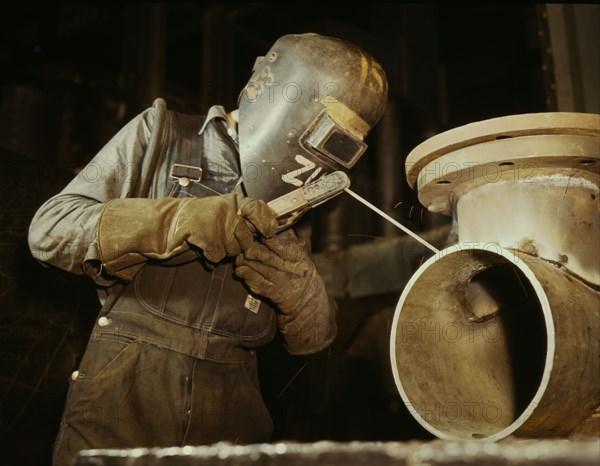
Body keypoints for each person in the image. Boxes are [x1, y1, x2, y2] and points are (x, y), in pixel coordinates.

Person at [28, 33, 388, 466]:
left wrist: (303, 296)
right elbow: (49, 230)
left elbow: (314, 343)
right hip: (124, 408)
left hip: (231, 431)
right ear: (279, 89)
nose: (323, 157)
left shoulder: (296, 198)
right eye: (327, 134)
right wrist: (176, 221)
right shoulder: (161, 133)